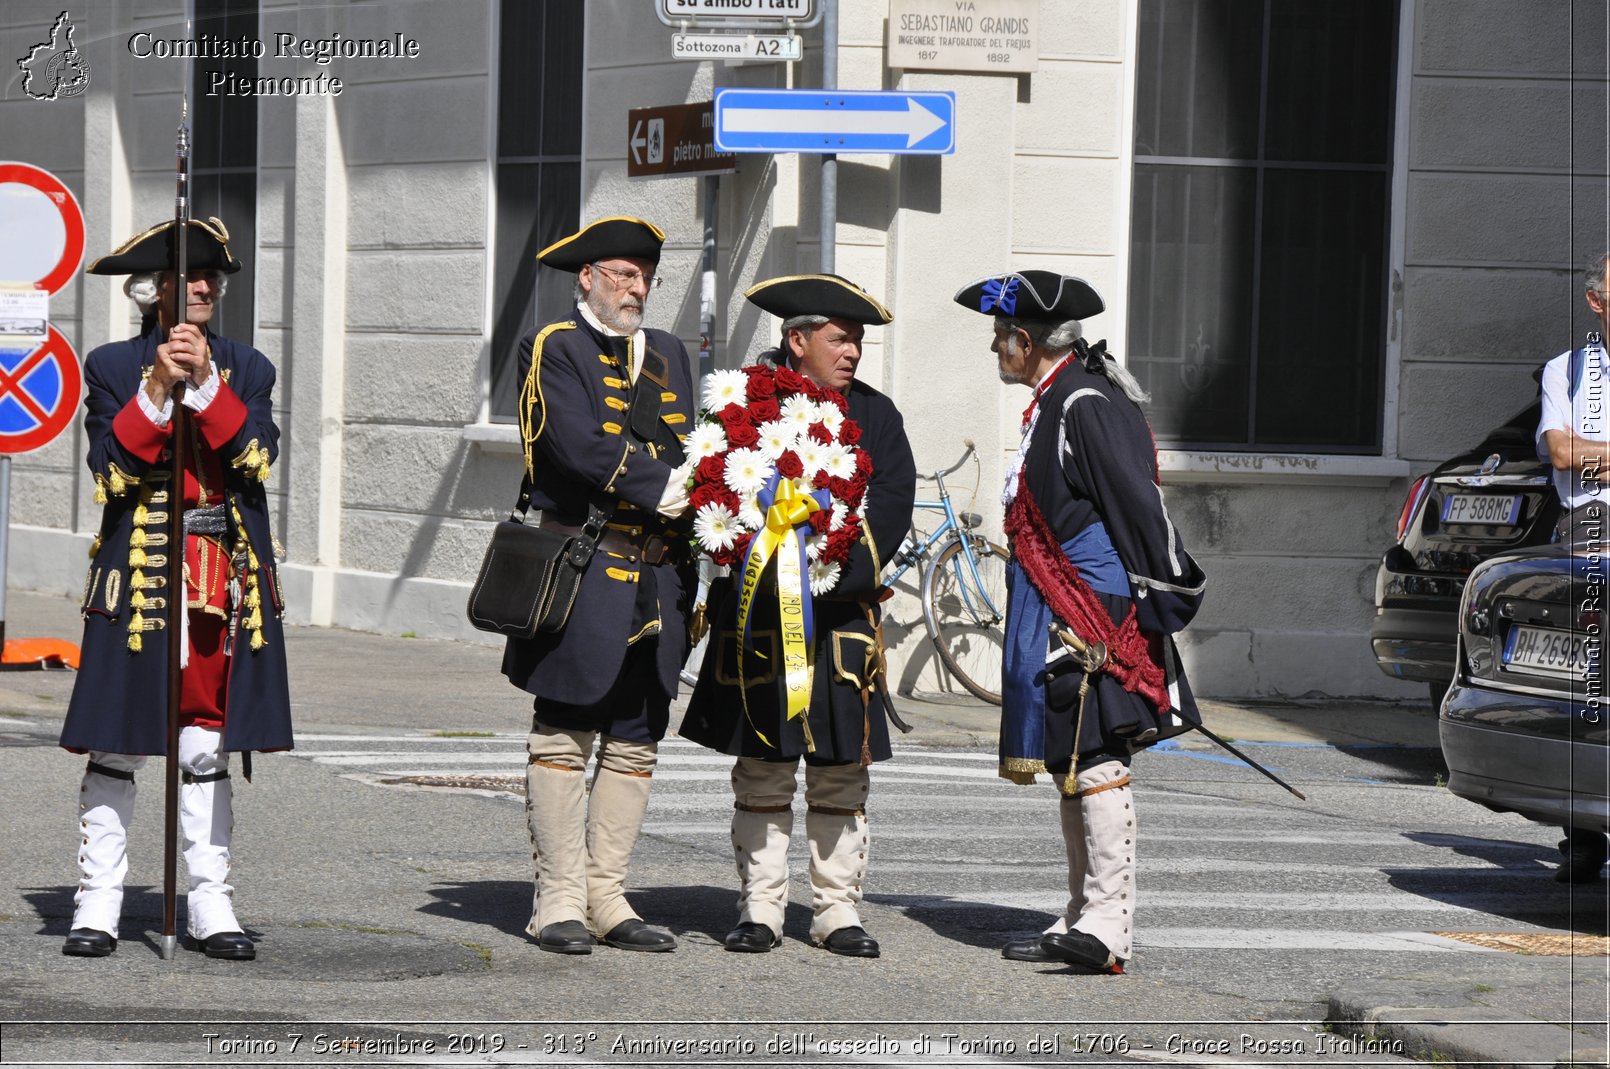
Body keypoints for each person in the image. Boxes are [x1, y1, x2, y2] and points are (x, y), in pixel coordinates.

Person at [953, 270, 1205, 973]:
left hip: (1093, 608)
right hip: (1061, 601)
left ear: (1026, 341)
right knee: (1073, 760)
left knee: (1097, 757)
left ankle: (1109, 926)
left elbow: (1138, 507)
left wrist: (1152, 606)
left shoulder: (1085, 403)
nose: (994, 348)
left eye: (1000, 336)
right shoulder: (1055, 398)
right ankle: (1081, 913)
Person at [59, 217, 292, 960]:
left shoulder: (247, 367)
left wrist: (208, 385)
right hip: (140, 577)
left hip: (222, 576)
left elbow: (255, 455)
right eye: (190, 275)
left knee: (203, 743)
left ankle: (210, 901)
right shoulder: (111, 364)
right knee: (117, 743)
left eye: (213, 276)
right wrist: (159, 386)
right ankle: (97, 900)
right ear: (153, 288)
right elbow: (113, 470)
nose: (205, 286)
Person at [680, 274, 916, 958]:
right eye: (840, 339)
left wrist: (823, 572)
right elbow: (712, 494)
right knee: (764, 763)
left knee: (841, 769)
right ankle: (760, 907)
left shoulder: (877, 417)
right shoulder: (741, 410)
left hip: (839, 622)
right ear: (797, 339)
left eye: (859, 342)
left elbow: (889, 512)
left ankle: (837, 911)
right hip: (757, 617)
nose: (854, 353)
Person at [502, 216, 696, 953]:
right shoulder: (554, 347)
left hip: (660, 573)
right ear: (586, 278)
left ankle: (606, 894)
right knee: (565, 726)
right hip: (584, 563)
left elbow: (693, 441)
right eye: (621, 273)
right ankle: (555, 897)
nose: (635, 287)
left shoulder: (671, 353)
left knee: (637, 734)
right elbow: (576, 444)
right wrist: (669, 487)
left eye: (643, 276)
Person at [1536, 251, 1610, 883]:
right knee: (1590, 679)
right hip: (1590, 526)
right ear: (1597, 302)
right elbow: (1562, 453)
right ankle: (1584, 837)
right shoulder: (1570, 369)